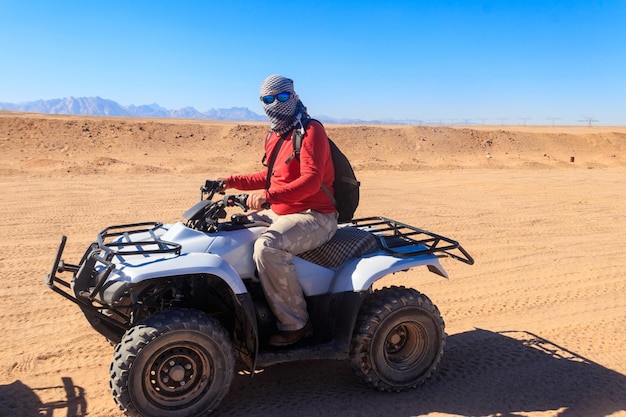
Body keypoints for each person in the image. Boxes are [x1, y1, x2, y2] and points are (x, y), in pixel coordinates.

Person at [221, 74, 337, 346]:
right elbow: (272, 176)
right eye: (268, 99)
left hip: (315, 215)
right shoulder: (275, 134)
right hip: (281, 212)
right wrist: (230, 182)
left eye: (282, 97)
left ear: (294, 96)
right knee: (228, 233)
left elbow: (311, 181)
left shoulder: (310, 131)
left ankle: (296, 322)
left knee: (268, 248)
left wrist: (267, 196)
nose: (276, 104)